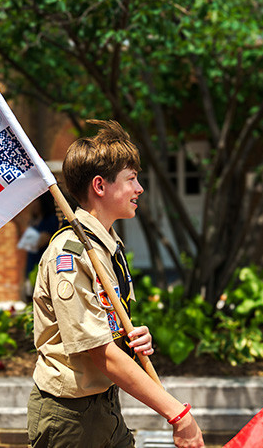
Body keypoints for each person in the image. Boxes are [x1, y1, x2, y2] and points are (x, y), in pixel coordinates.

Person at [27, 120, 204, 448]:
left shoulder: (106, 246)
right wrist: (179, 415)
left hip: (105, 407)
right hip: (70, 417)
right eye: (132, 179)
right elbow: (99, 352)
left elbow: (106, 330)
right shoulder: (71, 255)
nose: (139, 189)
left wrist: (129, 337)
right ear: (100, 185)